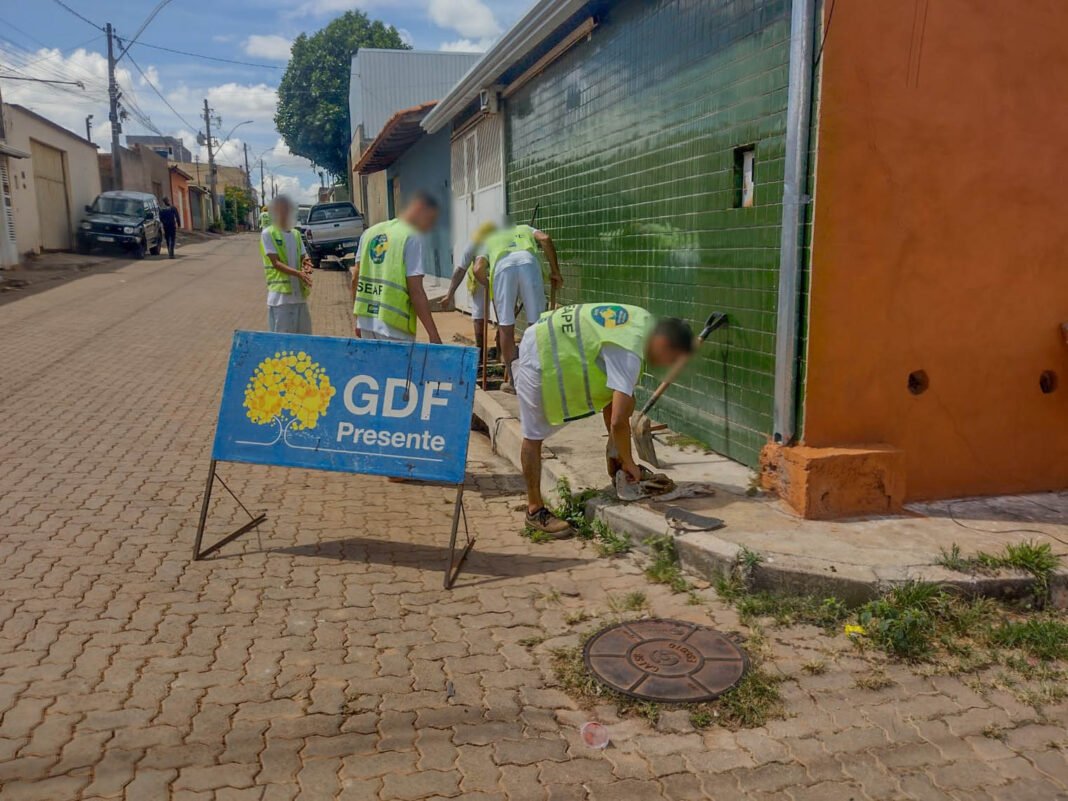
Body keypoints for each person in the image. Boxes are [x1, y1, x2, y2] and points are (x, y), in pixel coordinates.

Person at [514, 305, 694, 536]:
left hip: (548, 335)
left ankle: (616, 462)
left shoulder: (642, 321)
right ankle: (534, 510)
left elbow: (618, 403)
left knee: (625, 398)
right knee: (533, 435)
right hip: (540, 352)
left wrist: (623, 457)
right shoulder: (630, 351)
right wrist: (630, 461)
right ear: (664, 343)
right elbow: (618, 421)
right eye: (672, 358)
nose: (667, 365)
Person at [472, 222, 562, 392]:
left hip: (502, 269)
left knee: (506, 327)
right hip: (529, 263)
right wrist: (555, 271)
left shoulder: (489, 238)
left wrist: (488, 283)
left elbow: (477, 269)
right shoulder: (525, 229)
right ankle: (538, 378)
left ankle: (514, 382)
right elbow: (545, 239)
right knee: (537, 324)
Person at [351, 191, 442, 344]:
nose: (430, 226)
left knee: (372, 361)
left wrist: (357, 319)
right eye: (430, 219)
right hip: (394, 327)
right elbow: (416, 291)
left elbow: (355, 278)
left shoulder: (368, 233)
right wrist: (433, 334)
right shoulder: (411, 237)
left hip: (366, 322)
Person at [442, 221, 497, 359]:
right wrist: (449, 294)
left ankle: (502, 348)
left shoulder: (498, 243)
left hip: (499, 277)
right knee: (479, 316)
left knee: (503, 315)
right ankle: (480, 351)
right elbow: (460, 270)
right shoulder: (473, 245)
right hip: (479, 279)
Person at [260, 196, 313, 334]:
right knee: (283, 342)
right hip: (280, 299)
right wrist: (299, 273)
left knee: (305, 338)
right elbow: (275, 262)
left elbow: (304, 256)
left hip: (299, 297)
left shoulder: (296, 234)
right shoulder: (268, 233)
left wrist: (307, 264)